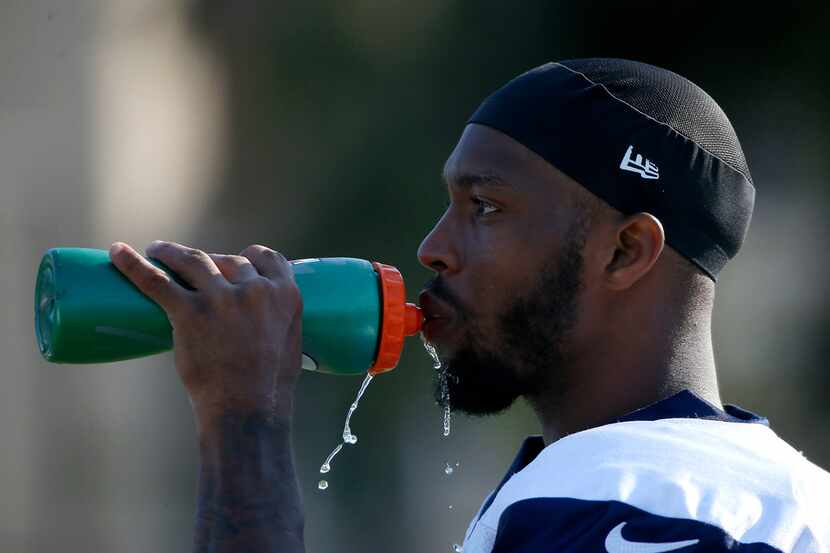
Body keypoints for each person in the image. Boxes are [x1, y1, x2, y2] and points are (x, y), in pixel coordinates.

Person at [109, 59, 830, 553]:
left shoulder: (617, 506)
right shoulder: (800, 500)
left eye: (484, 207)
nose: (432, 247)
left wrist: (245, 416)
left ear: (625, 250)